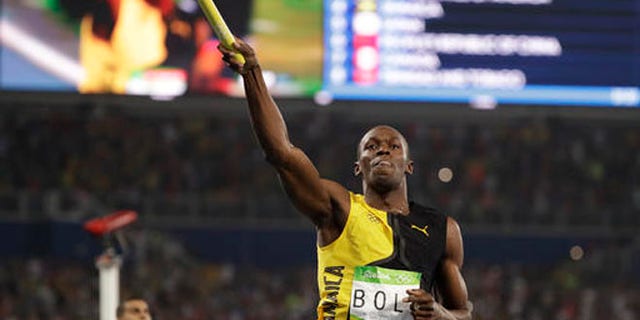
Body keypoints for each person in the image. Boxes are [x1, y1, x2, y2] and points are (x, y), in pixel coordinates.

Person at [218, 40, 473, 320]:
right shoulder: (338, 208)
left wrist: (440, 313)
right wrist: (253, 72)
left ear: (409, 166)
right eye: (371, 146)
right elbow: (282, 154)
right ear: (358, 168)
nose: (383, 149)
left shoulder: (443, 230)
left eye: (393, 146)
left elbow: (463, 312)